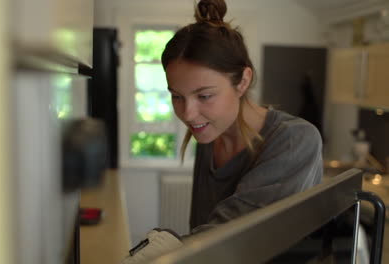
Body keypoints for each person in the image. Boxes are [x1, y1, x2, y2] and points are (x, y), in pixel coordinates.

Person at [122, 0, 323, 262]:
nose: (188, 114)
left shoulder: (294, 140)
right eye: (177, 97)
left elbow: (227, 237)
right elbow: (205, 231)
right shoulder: (210, 134)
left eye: (204, 96)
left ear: (243, 81)